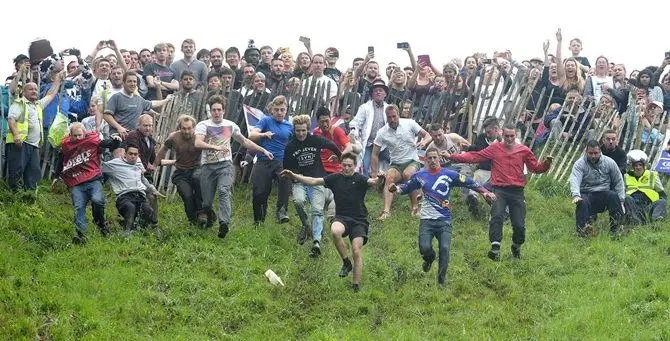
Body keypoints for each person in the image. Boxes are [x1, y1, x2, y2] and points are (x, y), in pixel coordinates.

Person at [389, 147, 496, 285]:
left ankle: (441, 281)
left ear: (439, 158)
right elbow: (406, 187)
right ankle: (429, 259)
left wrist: (485, 192)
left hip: (444, 219)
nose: (433, 160)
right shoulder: (420, 176)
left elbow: (470, 182)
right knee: (425, 248)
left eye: (435, 157)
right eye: (430, 158)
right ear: (425, 160)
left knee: (445, 248)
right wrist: (395, 188)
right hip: (426, 220)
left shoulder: (450, 174)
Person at [447, 124, 552, 260]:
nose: (509, 139)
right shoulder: (495, 148)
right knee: (497, 216)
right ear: (502, 135)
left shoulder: (524, 150)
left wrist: (546, 164)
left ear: (516, 136)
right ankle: (495, 248)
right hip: (499, 190)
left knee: (519, 224)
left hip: (517, 191)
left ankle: (516, 245)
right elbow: (475, 157)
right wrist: (452, 157)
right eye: (506, 136)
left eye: (512, 136)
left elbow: (536, 168)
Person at [281, 153, 379, 292]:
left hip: (359, 220)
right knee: (335, 230)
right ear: (340, 165)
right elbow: (313, 181)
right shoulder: (335, 178)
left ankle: (355, 285)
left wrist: (380, 178)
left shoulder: (360, 179)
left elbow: (374, 182)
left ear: (355, 166)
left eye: (349, 166)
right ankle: (346, 262)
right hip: (342, 217)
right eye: (344, 165)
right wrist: (294, 176)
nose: (346, 168)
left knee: (356, 251)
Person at [195, 95, 272, 238]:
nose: (216, 113)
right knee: (207, 201)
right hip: (208, 166)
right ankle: (209, 217)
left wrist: (263, 150)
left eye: (219, 110)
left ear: (224, 110)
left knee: (224, 191)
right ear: (210, 111)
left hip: (225, 165)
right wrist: (214, 147)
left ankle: (224, 223)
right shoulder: (203, 125)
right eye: (214, 110)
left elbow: (244, 141)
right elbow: (198, 143)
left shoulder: (230, 125)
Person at [283, 114, 342, 256]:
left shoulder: (315, 140)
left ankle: (316, 241)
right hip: (300, 181)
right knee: (298, 201)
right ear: (294, 130)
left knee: (316, 210)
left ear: (308, 129)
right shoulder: (291, 146)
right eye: (298, 131)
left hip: (316, 179)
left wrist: (339, 157)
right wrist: (296, 174)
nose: (301, 133)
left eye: (303, 130)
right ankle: (306, 225)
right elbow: (287, 167)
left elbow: (331, 145)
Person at [54, 123, 121, 244]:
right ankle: (81, 235)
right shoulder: (66, 145)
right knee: (78, 207)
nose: (78, 138)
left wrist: (116, 141)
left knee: (98, 200)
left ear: (84, 134)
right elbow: (61, 159)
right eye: (75, 136)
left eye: (80, 135)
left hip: (93, 179)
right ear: (70, 135)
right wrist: (56, 176)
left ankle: (100, 223)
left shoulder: (92, 140)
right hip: (76, 182)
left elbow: (107, 144)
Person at [371, 104, 432, 220]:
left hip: (412, 160)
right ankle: (386, 211)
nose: (392, 120)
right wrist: (374, 174)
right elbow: (374, 154)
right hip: (396, 163)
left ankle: (415, 207)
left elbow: (427, 135)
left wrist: (423, 143)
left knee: (408, 175)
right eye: (389, 117)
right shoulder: (382, 132)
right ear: (386, 117)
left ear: (398, 115)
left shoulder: (409, 123)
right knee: (389, 177)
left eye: (394, 116)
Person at [6, 78, 62, 192]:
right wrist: (16, 135)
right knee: (17, 170)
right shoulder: (19, 103)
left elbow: (50, 95)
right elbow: (11, 119)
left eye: (36, 89)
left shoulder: (37, 105)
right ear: (24, 92)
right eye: (30, 89)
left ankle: (30, 197)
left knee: (33, 172)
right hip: (20, 143)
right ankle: (14, 197)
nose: (34, 91)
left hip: (33, 145)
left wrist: (58, 80)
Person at [249, 95, 293, 226]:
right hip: (263, 160)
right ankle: (258, 221)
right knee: (259, 191)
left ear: (286, 111)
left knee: (286, 180)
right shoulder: (266, 121)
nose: (279, 112)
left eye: (282, 110)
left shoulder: (289, 126)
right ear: (272, 110)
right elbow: (252, 135)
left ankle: (281, 212)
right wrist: (263, 134)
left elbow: (293, 144)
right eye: (277, 109)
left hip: (280, 161)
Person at [102, 144, 166, 235]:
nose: (133, 156)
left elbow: (143, 179)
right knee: (130, 207)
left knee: (149, 211)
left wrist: (153, 190)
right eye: (130, 154)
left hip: (139, 196)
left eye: (135, 154)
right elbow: (100, 166)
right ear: (125, 154)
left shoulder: (138, 164)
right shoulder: (115, 164)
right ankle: (127, 232)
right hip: (124, 197)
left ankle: (139, 229)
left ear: (138, 155)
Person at [154, 115, 204, 226]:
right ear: (179, 128)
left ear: (194, 127)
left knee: (197, 179)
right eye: (184, 128)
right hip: (181, 172)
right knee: (187, 195)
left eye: (189, 128)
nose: (187, 131)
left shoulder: (199, 137)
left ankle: (202, 212)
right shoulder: (173, 137)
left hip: (197, 168)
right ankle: (193, 221)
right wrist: (154, 165)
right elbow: (162, 151)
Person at [569, 140, 625, 237]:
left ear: (600, 152)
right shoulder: (579, 164)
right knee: (582, 202)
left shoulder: (609, 162)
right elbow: (575, 179)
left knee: (613, 196)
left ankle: (616, 230)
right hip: (586, 193)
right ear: (586, 152)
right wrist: (576, 195)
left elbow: (618, 181)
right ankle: (582, 233)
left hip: (603, 193)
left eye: (596, 153)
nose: (593, 156)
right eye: (590, 153)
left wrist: (621, 201)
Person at [623, 150, 666, 225]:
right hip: (633, 208)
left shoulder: (653, 175)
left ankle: (655, 222)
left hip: (649, 207)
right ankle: (635, 222)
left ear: (644, 166)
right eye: (636, 165)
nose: (638, 167)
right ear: (632, 167)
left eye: (640, 165)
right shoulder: (626, 177)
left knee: (661, 202)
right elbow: (621, 193)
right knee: (627, 198)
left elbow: (662, 194)